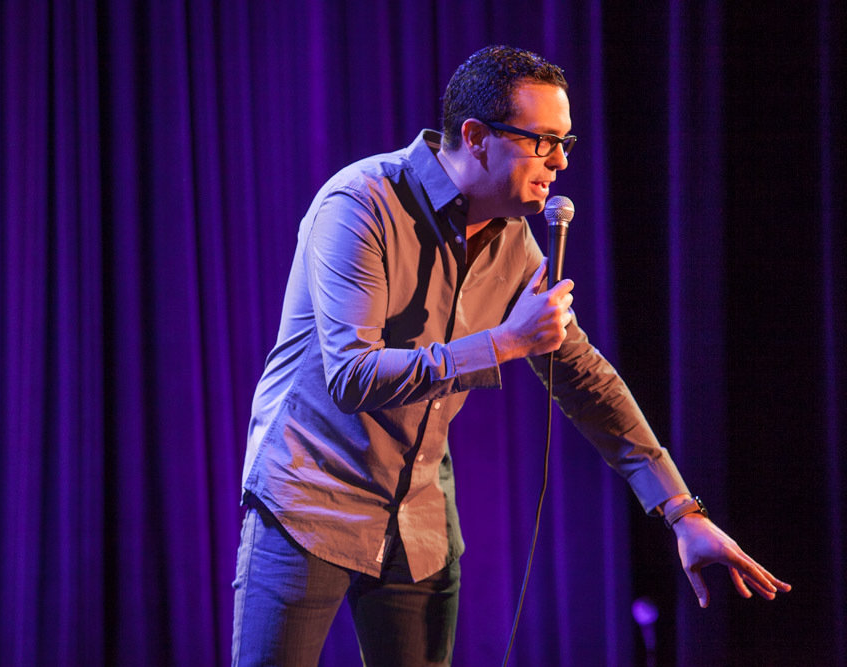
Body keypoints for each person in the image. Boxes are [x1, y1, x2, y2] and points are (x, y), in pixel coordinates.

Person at [232, 45, 790, 666]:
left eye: (566, 143)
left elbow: (584, 378)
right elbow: (351, 375)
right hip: (309, 498)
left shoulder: (515, 244)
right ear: (476, 136)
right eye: (543, 141)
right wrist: (507, 341)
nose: (559, 162)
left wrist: (682, 511)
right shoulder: (359, 205)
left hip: (416, 515)